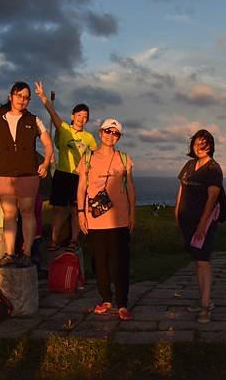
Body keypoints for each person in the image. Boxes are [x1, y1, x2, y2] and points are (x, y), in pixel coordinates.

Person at [0, 81, 53, 268]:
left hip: (28, 173)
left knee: (27, 212)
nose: (23, 100)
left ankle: (27, 253)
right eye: (19, 95)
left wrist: (45, 163)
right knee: (9, 214)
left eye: (26, 97)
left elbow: (48, 144)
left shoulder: (33, 120)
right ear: (11, 96)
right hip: (3, 173)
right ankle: (10, 254)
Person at [77, 118, 136, 321]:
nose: (111, 136)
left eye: (115, 133)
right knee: (99, 262)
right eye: (107, 132)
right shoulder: (87, 158)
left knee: (120, 262)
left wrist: (132, 213)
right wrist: (80, 213)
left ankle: (122, 303)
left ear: (118, 137)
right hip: (94, 219)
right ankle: (106, 299)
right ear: (100, 133)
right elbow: (81, 187)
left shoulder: (124, 158)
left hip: (119, 219)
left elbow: (129, 187)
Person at [34, 82, 98, 252]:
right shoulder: (63, 129)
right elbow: (52, 113)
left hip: (79, 177)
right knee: (59, 211)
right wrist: (42, 96)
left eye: (85, 117)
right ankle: (54, 241)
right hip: (62, 175)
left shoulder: (89, 137)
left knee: (77, 211)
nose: (81, 119)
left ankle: (73, 241)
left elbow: (97, 156)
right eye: (79, 115)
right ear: (72, 115)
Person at [175, 129, 223, 324]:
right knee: (197, 261)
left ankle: (205, 306)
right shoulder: (189, 165)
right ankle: (204, 299)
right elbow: (181, 189)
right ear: (192, 145)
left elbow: (212, 197)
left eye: (205, 144)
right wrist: (177, 212)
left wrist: (202, 223)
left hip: (204, 222)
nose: (200, 147)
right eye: (197, 143)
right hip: (187, 221)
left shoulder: (213, 168)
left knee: (203, 262)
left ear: (211, 146)